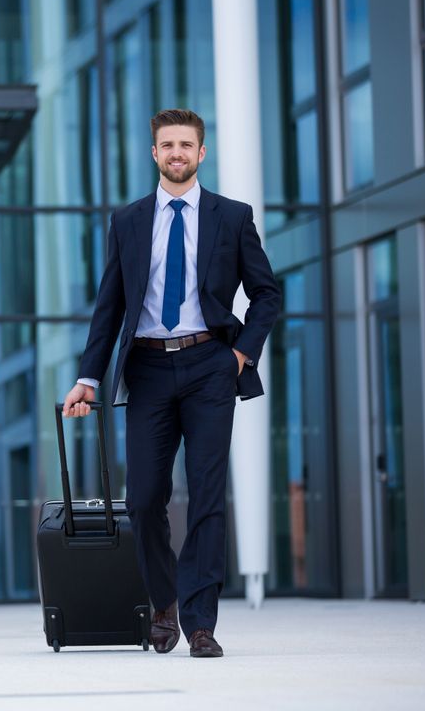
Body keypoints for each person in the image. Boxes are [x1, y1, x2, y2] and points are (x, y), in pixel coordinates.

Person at [61, 108, 281, 658]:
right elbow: (109, 306)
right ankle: (164, 602)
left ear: (201, 153)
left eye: (187, 144)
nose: (177, 153)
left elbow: (267, 294)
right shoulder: (128, 221)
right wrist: (88, 377)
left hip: (211, 365)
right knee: (143, 499)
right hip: (149, 369)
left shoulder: (232, 217)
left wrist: (240, 355)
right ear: (154, 153)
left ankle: (201, 623)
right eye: (168, 145)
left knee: (207, 496)